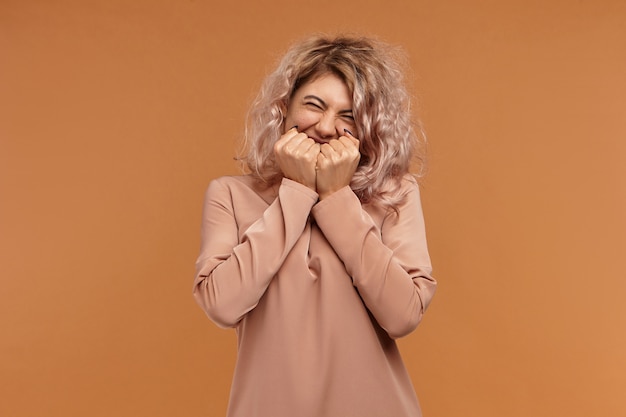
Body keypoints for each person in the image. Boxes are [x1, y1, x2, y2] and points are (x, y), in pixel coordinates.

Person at [193, 34, 437, 417]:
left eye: (348, 115)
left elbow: (403, 315)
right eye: (314, 105)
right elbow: (223, 305)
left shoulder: (395, 193)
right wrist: (297, 191)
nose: (325, 128)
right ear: (284, 108)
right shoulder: (229, 194)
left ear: (368, 126)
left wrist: (337, 197)